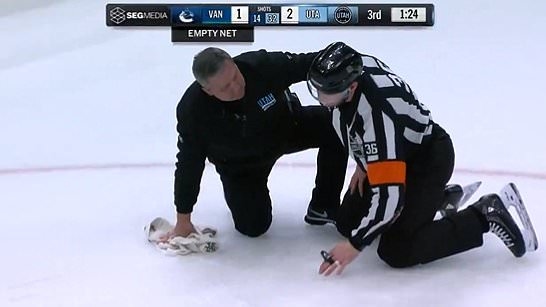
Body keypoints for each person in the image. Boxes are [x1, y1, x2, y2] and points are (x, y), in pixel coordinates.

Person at [306, 42, 538, 275]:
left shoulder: (378, 118)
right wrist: (364, 163)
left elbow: (389, 198)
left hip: (427, 161)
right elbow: (363, 129)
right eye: (317, 89)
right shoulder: (357, 66)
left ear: (352, 87)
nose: (320, 97)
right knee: (349, 222)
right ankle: (437, 200)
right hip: (400, 148)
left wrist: (353, 246)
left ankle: (484, 214)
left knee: (396, 250)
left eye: (326, 91)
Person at [168, 47, 348, 240]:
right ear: (208, 90)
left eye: (235, 76)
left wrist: (351, 67)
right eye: (226, 87)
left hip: (286, 129)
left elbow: (310, 62)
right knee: (253, 227)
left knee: (337, 127)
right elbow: (189, 164)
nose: (236, 87)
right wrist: (183, 219)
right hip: (240, 165)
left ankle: (324, 206)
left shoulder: (261, 66)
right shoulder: (194, 110)